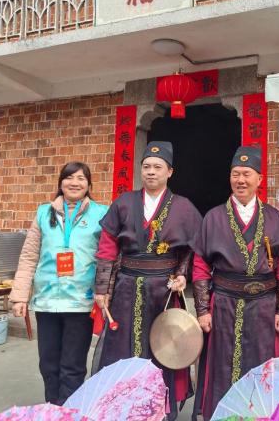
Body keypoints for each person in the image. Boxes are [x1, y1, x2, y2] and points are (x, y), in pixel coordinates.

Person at [92, 141, 202, 420]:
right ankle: (121, 407)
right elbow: (107, 247)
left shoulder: (184, 207)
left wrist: (182, 275)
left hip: (162, 292)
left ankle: (161, 409)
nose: (151, 172)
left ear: (170, 172)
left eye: (157, 167)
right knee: (121, 348)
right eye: (146, 167)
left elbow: (192, 248)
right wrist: (102, 289)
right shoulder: (124, 202)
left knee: (165, 349)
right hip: (127, 288)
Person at [192, 146, 279, 421]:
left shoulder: (273, 217)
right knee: (223, 363)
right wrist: (202, 309)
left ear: (260, 179)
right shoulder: (213, 217)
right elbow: (200, 264)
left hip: (263, 305)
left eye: (247, 174)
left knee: (261, 363)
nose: (241, 180)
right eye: (235, 174)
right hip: (224, 302)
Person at [10, 162, 108, 405]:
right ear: (60, 182)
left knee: (73, 366)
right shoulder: (44, 213)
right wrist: (20, 296)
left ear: (89, 185)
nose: (74, 183)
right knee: (48, 364)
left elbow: (108, 256)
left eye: (81, 178)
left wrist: (105, 292)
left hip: (81, 303)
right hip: (47, 302)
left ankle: (68, 412)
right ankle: (53, 408)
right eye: (69, 177)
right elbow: (29, 255)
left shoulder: (101, 214)